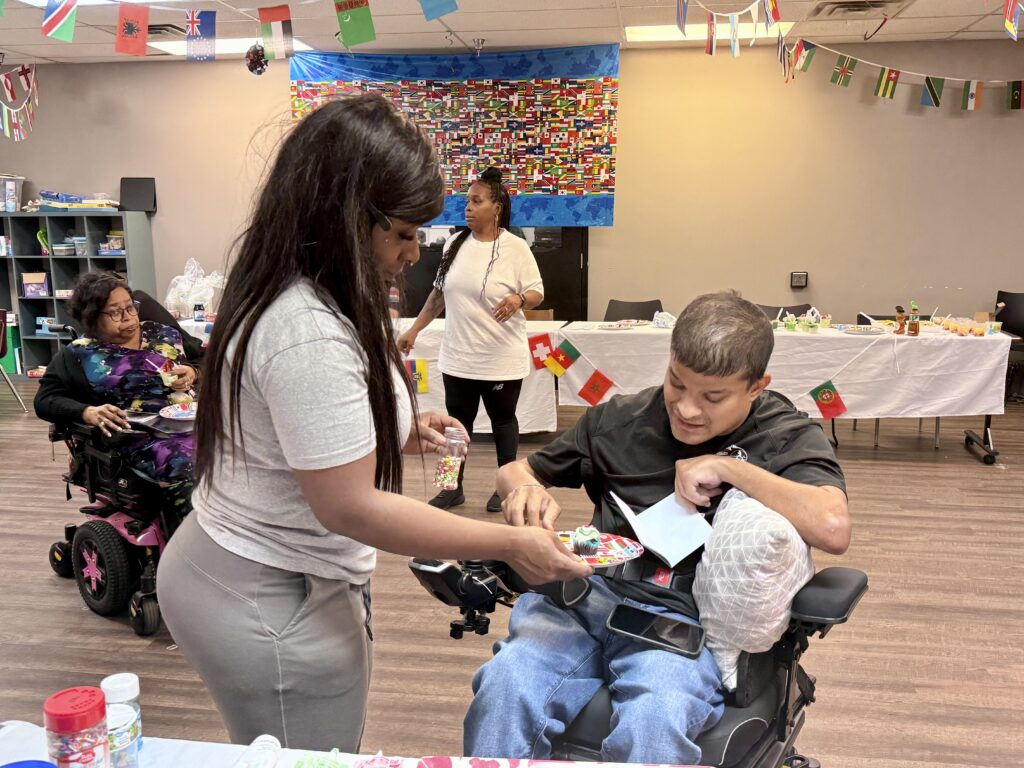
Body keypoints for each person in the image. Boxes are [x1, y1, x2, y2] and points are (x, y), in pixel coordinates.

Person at [155, 94, 590, 753]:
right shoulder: (306, 329)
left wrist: (391, 428)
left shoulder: (311, 294)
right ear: (345, 218)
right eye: (403, 233)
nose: (415, 252)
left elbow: (299, 430)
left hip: (261, 568)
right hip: (264, 590)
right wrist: (508, 546)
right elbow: (351, 507)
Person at [463, 291, 852, 765]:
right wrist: (522, 489)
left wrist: (729, 469)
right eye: (677, 384)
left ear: (756, 386)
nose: (688, 410)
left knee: (656, 720)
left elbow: (833, 527)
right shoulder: (619, 420)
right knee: (504, 689)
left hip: (675, 623)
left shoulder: (783, 434)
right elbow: (516, 471)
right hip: (582, 601)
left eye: (713, 397)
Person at [397, 167, 543, 513]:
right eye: (467, 201)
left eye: (476, 201)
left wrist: (519, 300)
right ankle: (451, 488)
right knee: (454, 429)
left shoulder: (516, 248)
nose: (468, 207)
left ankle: (506, 488)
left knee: (503, 425)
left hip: (501, 360)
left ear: (496, 208)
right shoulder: (454, 243)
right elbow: (438, 296)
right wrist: (414, 330)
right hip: (458, 358)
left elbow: (537, 292)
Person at [34, 271, 197, 515]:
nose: (129, 318)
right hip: (138, 438)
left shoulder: (165, 334)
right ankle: (192, 540)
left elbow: (209, 361)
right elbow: (45, 400)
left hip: (191, 421)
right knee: (191, 464)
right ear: (91, 317)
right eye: (115, 312)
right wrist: (87, 412)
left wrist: (194, 373)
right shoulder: (79, 355)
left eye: (131, 308)